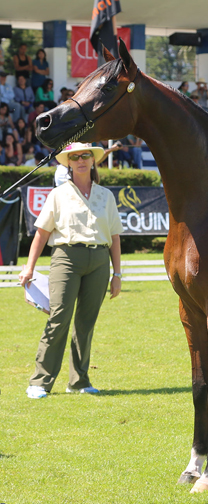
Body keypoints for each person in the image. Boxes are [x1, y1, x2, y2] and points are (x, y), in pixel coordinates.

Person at [19, 142, 123, 399]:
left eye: (85, 155)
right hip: (66, 258)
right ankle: (40, 382)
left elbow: (115, 236)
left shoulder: (106, 196)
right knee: (59, 318)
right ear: (68, 163)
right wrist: (29, 268)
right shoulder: (58, 194)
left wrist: (117, 274)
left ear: (92, 160)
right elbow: (41, 235)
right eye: (75, 157)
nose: (81, 160)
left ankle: (79, 381)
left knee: (86, 324)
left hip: (100, 260)